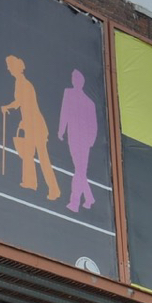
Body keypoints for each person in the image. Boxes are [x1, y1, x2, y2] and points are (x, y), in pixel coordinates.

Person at [1, 56, 60, 200]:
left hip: (36, 125)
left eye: (10, 66)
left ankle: (54, 190)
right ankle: (30, 182)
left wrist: (7, 107)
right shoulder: (20, 82)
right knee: (28, 153)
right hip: (30, 124)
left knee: (43, 157)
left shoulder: (23, 83)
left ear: (15, 67)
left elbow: (21, 103)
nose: (8, 69)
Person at [58, 69, 98, 213]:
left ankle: (75, 202)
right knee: (80, 170)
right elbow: (64, 113)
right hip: (73, 138)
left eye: (76, 78)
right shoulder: (68, 93)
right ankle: (89, 198)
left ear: (81, 82)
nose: (74, 80)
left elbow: (93, 125)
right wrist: (61, 130)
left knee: (79, 171)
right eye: (73, 78)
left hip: (83, 141)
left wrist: (91, 141)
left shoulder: (89, 102)